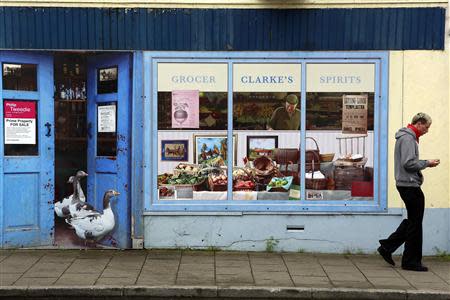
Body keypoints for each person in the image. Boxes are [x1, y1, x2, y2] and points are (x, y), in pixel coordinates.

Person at [378, 112, 440, 272]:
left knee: (413, 221)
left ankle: (387, 246)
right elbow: (408, 163)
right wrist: (427, 163)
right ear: (419, 123)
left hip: (407, 184)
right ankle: (410, 261)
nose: (427, 130)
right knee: (415, 224)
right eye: (427, 127)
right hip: (409, 185)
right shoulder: (408, 138)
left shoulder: (408, 137)